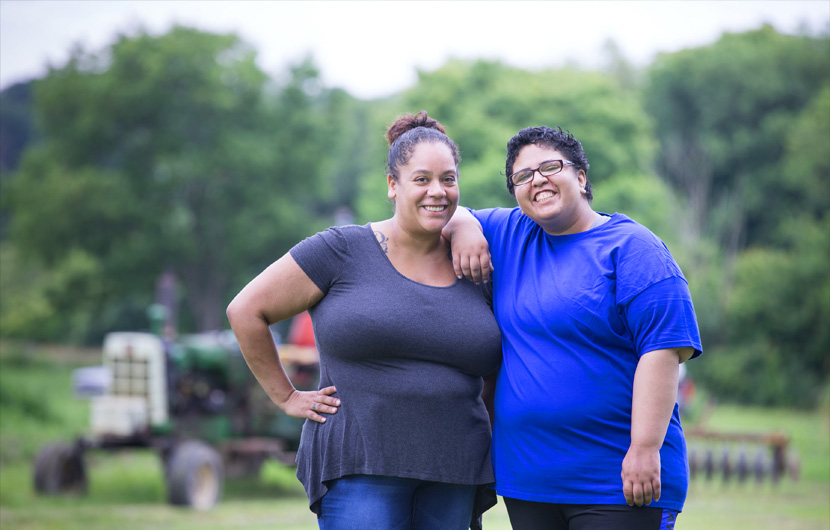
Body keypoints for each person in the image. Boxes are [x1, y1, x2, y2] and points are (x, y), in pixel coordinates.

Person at [226, 111, 502, 530]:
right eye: (421, 179)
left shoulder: (474, 261)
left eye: (448, 179)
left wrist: (465, 223)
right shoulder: (341, 250)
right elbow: (246, 310)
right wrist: (285, 397)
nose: (438, 191)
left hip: (456, 466)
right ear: (392, 185)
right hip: (362, 465)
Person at [444, 126, 702, 530]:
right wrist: (464, 228)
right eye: (522, 176)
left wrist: (644, 447)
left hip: (617, 479)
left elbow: (664, 350)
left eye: (550, 166)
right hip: (530, 479)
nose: (537, 180)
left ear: (581, 177)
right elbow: (449, 210)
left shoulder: (633, 248)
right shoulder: (510, 234)